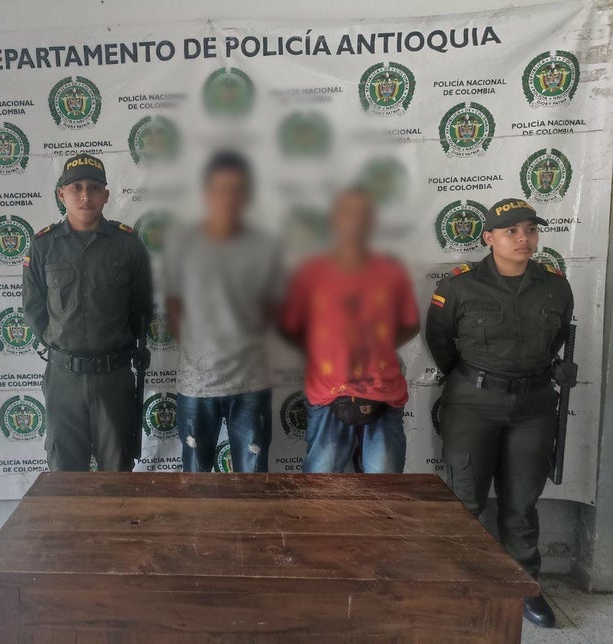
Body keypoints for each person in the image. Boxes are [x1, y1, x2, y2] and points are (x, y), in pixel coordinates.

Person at [425, 197, 575, 628]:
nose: (523, 238)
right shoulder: (459, 286)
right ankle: (461, 585)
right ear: (489, 238)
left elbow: (556, 338)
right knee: (466, 500)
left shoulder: (555, 286)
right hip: (473, 404)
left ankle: (523, 586)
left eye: (530, 229)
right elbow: (440, 341)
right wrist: (476, 379)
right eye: (511, 231)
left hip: (533, 405)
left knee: (522, 502)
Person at [23, 154, 152, 471]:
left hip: (113, 378)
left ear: (106, 195)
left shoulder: (129, 245)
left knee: (117, 470)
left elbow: (141, 308)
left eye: (94, 188)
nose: (85, 196)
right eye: (76, 187)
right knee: (64, 472)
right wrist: (62, 344)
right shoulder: (43, 247)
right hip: (63, 378)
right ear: (61, 194)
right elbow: (34, 309)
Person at [279, 187, 420, 473]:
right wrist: (324, 351)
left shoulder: (391, 272)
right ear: (333, 219)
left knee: (386, 487)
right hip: (327, 392)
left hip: (383, 391)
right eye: (347, 213)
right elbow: (290, 327)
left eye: (364, 213)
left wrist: (376, 348)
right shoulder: (311, 273)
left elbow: (410, 324)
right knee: (322, 486)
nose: (355, 220)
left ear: (373, 221)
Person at [163, 151, 283, 473]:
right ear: (206, 193)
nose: (227, 198)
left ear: (247, 195)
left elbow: (273, 307)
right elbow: (173, 305)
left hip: (251, 383)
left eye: (236, 190)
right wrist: (199, 351)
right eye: (219, 189)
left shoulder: (264, 246)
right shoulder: (183, 244)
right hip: (197, 385)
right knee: (195, 483)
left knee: (253, 482)